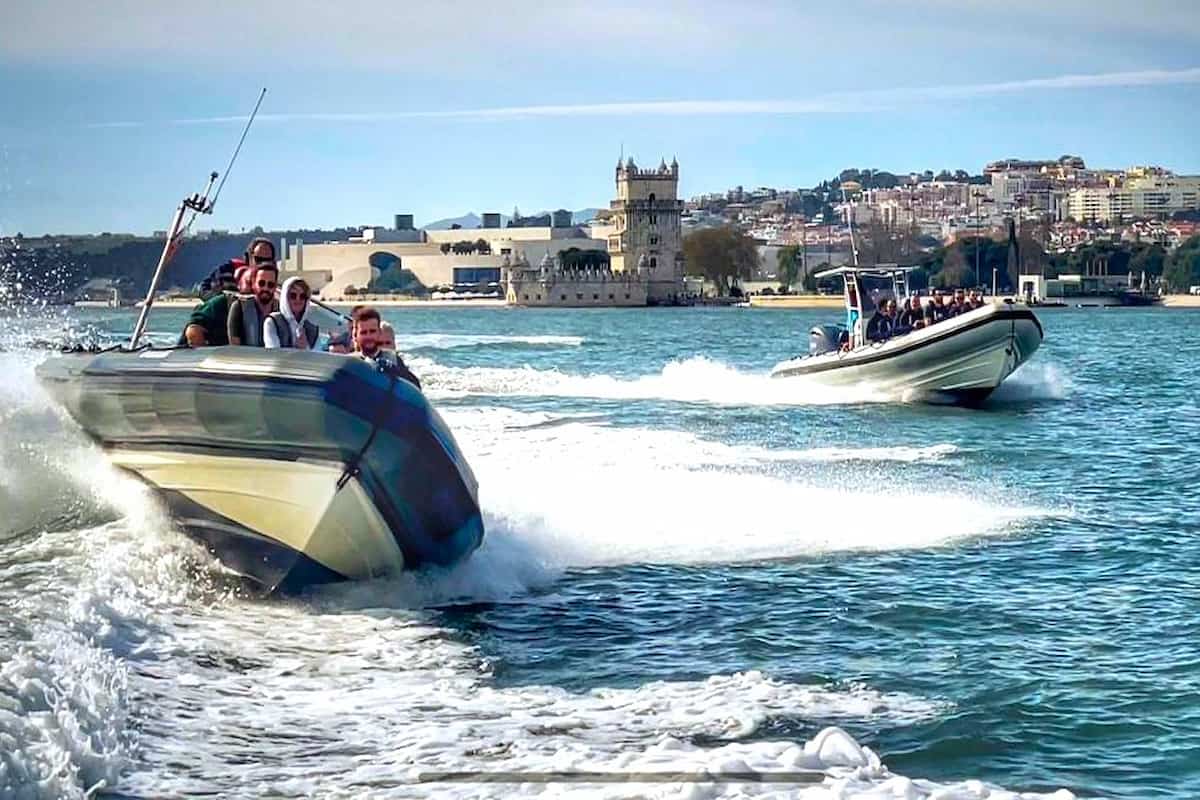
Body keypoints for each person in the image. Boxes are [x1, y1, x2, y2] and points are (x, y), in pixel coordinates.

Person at [225, 238, 279, 346]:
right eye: (261, 283)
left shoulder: (281, 309)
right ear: (254, 283)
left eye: (270, 284)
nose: (266, 288)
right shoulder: (239, 307)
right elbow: (235, 347)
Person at [264, 277, 319, 349]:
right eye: (293, 296)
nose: (298, 300)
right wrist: (296, 350)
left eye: (302, 296)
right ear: (285, 298)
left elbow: (316, 357)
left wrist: (306, 348)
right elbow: (274, 354)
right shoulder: (272, 322)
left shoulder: (311, 329)